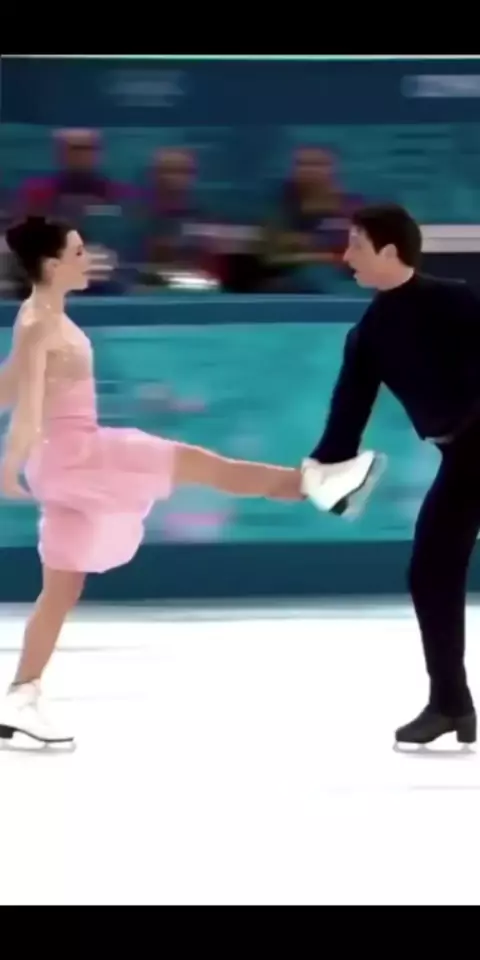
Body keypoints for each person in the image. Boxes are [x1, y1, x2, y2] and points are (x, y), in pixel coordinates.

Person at [0, 215, 372, 746]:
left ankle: (22, 695)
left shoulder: (36, 314)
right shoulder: (42, 323)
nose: (90, 259)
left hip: (61, 464)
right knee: (205, 466)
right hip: (82, 455)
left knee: (60, 589)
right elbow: (29, 405)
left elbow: (8, 386)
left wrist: (18, 460)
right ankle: (319, 484)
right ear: (51, 263)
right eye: (79, 252)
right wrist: (8, 463)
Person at [303, 203, 480, 747]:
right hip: (464, 457)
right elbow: (347, 416)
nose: (345, 256)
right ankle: (450, 703)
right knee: (430, 571)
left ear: (389, 250)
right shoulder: (370, 333)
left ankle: (450, 703)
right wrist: (316, 470)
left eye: (355, 245)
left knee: (433, 568)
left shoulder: (457, 301)